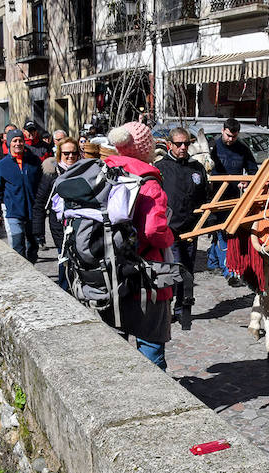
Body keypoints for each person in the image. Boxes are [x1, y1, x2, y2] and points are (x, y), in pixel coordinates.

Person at [105, 121, 175, 370]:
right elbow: (153, 231)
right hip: (147, 278)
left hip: (109, 275)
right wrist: (170, 238)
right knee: (151, 345)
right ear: (146, 148)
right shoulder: (148, 182)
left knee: (115, 347)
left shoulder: (106, 171)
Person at [156, 127, 209, 321]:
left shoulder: (197, 167)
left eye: (187, 143)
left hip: (191, 228)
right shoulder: (161, 168)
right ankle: (167, 308)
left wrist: (204, 222)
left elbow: (205, 196)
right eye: (179, 144)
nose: (183, 147)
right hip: (170, 229)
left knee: (188, 270)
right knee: (172, 269)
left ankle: (183, 308)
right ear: (170, 144)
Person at [209, 117, 258, 287]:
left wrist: (247, 181)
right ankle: (227, 270)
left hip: (234, 197)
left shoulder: (242, 149)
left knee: (227, 231)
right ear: (223, 130)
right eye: (229, 135)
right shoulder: (212, 147)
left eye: (234, 137)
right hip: (214, 196)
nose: (230, 139)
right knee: (220, 231)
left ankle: (216, 263)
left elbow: (253, 170)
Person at [34, 136, 80, 290]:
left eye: (74, 153)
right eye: (66, 153)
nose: (70, 156)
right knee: (64, 258)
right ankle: (65, 290)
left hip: (81, 225)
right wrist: (38, 232)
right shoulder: (51, 174)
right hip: (59, 226)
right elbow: (40, 203)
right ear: (60, 154)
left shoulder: (84, 171)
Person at [0, 129, 42, 261]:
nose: (18, 143)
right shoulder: (3, 165)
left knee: (33, 245)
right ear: (9, 143)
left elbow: (41, 184)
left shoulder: (34, 162)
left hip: (32, 211)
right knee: (18, 244)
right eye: (14, 141)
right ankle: (24, 273)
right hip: (13, 211)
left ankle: (31, 266)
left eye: (20, 140)